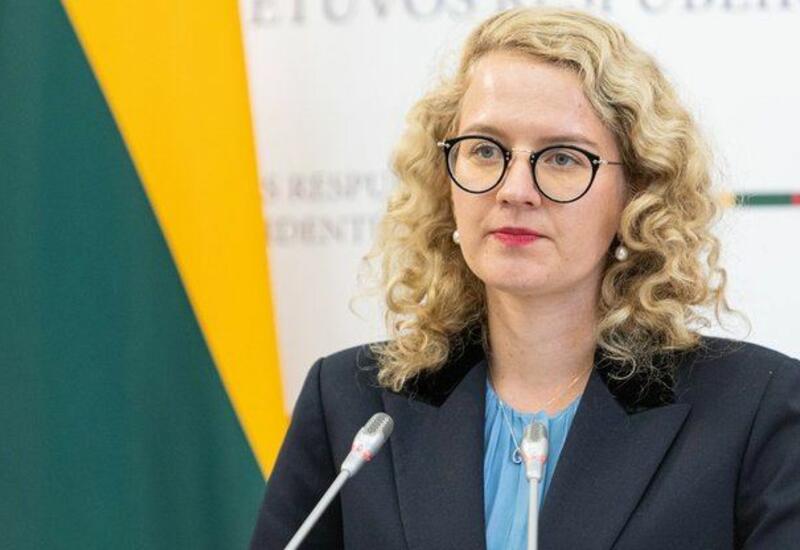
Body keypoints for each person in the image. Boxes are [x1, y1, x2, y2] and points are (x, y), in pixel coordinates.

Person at [250, 7, 800, 549]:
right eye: (485, 150)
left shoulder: (755, 410)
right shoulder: (350, 404)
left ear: (636, 193)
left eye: (562, 158)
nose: (514, 190)